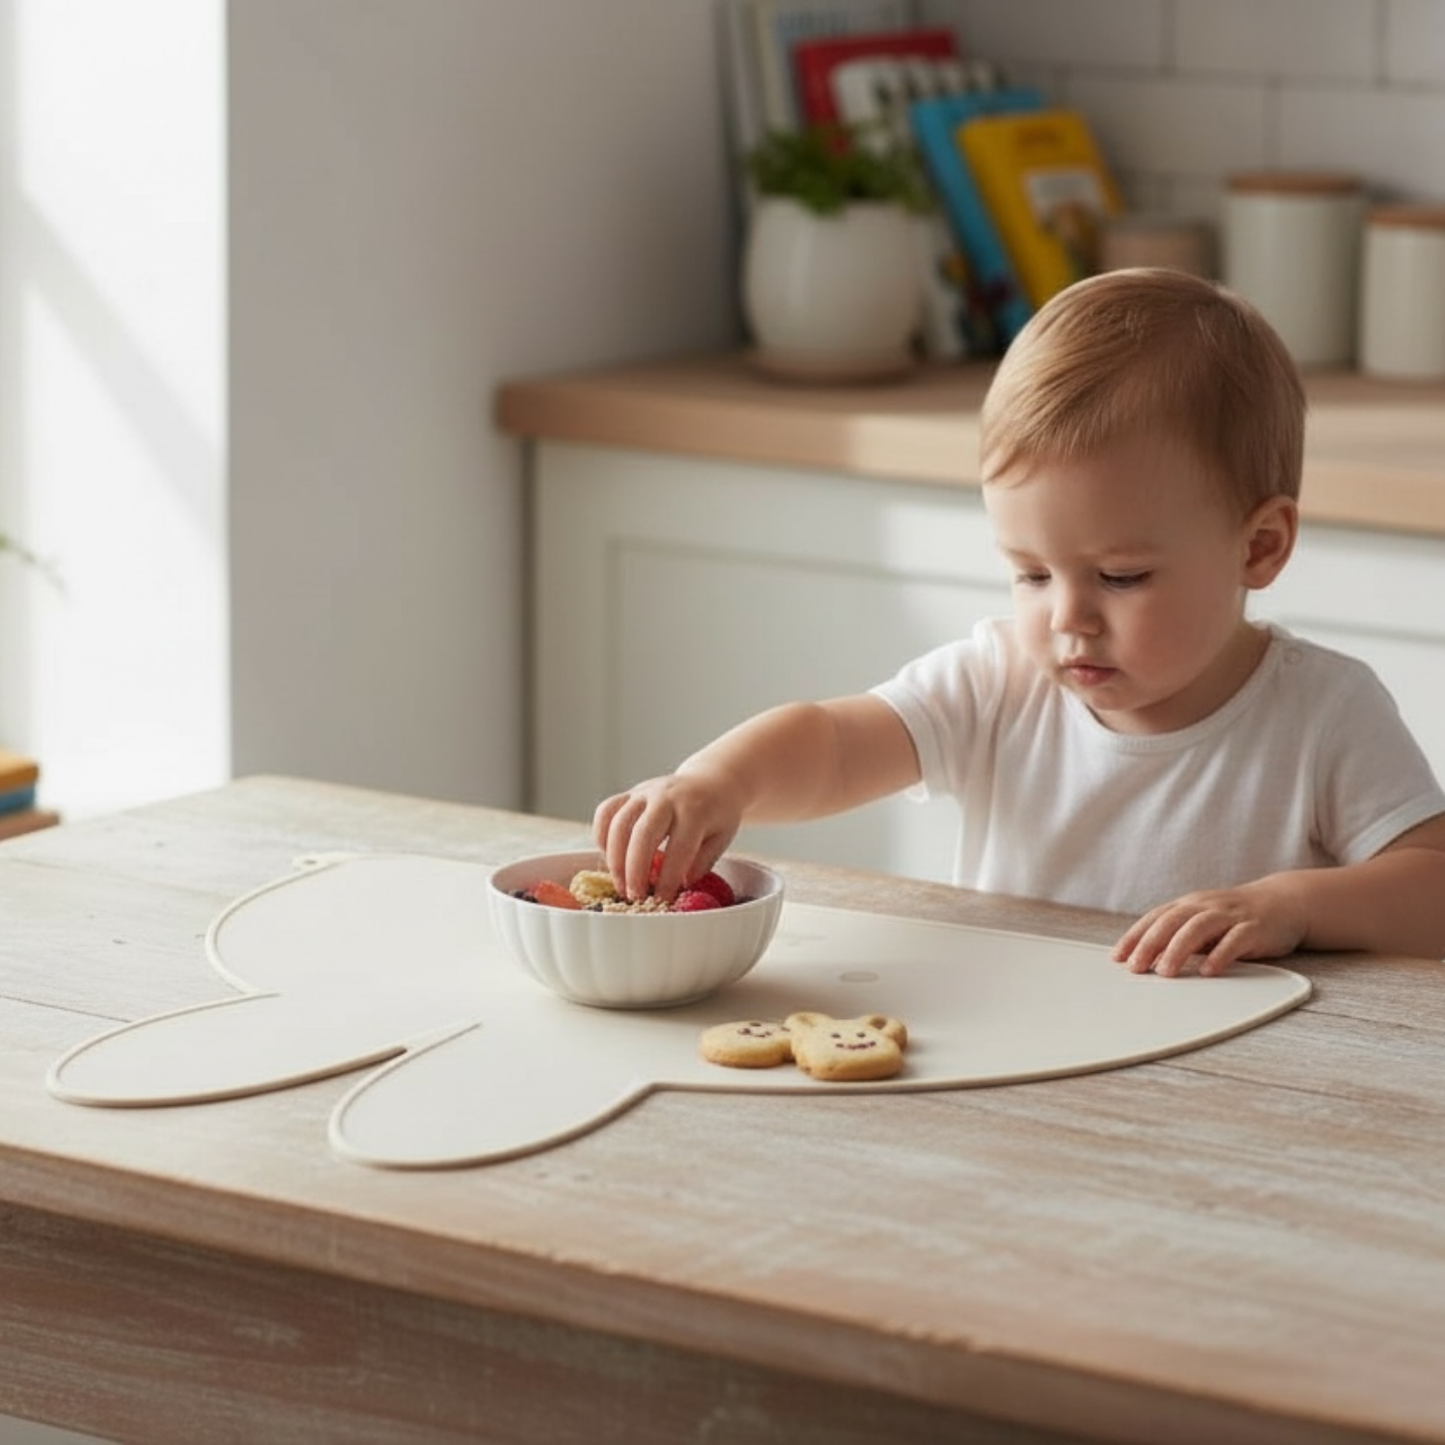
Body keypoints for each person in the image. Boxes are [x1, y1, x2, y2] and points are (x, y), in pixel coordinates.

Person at [593, 268, 1445, 976]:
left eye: (1120, 576)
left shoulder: (1324, 713)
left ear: (1258, 546)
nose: (1066, 617)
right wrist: (718, 781)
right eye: (1030, 574)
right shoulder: (997, 681)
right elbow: (833, 740)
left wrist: (1286, 904)